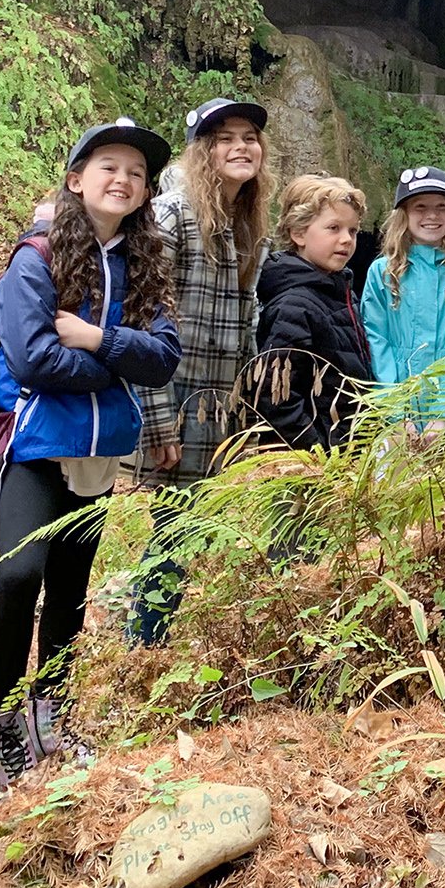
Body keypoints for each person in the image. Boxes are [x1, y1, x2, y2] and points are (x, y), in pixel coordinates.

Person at [0, 119, 181, 778]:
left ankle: (52, 713)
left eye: (135, 172)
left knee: (70, 594)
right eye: (108, 166)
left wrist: (97, 341)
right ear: (76, 180)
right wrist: (117, 363)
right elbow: (34, 358)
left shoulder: (143, 263)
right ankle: (4, 718)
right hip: (36, 446)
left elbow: (163, 360)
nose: (123, 178)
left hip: (100, 457)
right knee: (17, 577)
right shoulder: (35, 257)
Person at [128, 97, 269, 645]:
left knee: (187, 531)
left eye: (249, 137)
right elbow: (142, 320)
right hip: (175, 400)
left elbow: (246, 326)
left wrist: (247, 417)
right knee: (173, 532)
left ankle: (154, 640)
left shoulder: (246, 220)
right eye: (225, 139)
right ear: (201, 153)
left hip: (218, 408)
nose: (241, 147)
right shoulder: (174, 212)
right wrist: (158, 423)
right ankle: (142, 646)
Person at [249, 175, 373, 451]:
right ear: (299, 233)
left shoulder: (341, 292)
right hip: (312, 461)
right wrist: (316, 451)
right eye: (333, 228)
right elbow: (275, 396)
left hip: (346, 452)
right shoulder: (293, 304)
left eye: (352, 231)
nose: (346, 240)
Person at [360, 166, 445, 430]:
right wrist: (396, 413)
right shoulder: (383, 273)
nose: (432, 215)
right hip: (394, 406)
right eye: (420, 207)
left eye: (441, 206)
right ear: (404, 214)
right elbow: (376, 340)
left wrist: (444, 414)